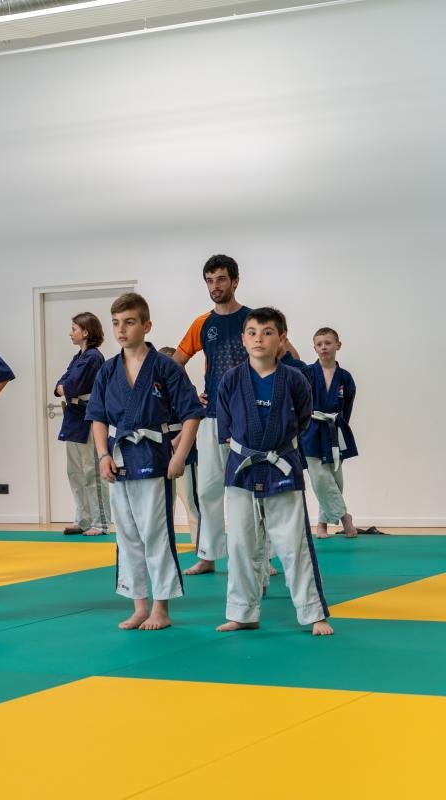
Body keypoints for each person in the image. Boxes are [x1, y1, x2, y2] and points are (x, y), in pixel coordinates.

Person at [172, 255, 301, 576]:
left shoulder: (252, 322)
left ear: (235, 281)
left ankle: (262, 557)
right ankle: (208, 554)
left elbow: (292, 357)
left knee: (253, 488)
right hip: (212, 416)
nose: (215, 286)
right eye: (209, 280)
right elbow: (174, 365)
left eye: (221, 279)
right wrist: (191, 395)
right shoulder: (202, 324)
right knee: (208, 489)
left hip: (251, 418)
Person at [87, 294, 202, 631]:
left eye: (129, 322)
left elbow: (192, 413)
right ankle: (139, 606)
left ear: (146, 325)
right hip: (119, 457)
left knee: (156, 532)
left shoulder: (166, 367)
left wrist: (180, 456)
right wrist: (102, 455)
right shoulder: (108, 370)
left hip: (154, 457)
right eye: (116, 323)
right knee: (127, 535)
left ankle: (161, 608)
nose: (121, 329)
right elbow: (97, 418)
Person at [215, 307, 332, 636]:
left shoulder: (295, 379)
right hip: (242, 469)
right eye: (252, 332)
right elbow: (225, 425)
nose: (259, 339)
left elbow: (303, 419)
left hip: (282, 466)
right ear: (243, 339)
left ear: (282, 338)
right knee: (241, 544)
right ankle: (242, 613)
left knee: (294, 544)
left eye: (267, 333)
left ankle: (312, 613)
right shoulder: (231, 379)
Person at [300, 327, 358, 539]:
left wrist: (340, 427)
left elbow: (347, 406)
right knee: (320, 477)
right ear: (314, 348)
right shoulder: (307, 373)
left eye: (328, 343)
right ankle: (344, 517)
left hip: (334, 430)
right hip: (310, 429)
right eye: (319, 344)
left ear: (338, 345)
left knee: (335, 479)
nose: (323, 347)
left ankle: (322, 524)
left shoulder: (345, 377)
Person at [55, 313, 110, 537]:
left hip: (88, 418)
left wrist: (65, 387)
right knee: (75, 472)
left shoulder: (93, 358)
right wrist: (64, 387)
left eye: (74, 329)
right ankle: (83, 519)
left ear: (86, 332)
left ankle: (101, 522)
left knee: (92, 472)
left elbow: (71, 386)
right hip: (74, 418)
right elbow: (61, 384)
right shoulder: (79, 357)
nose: (70, 333)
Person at [159, 346, 200, 545]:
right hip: (159, 447)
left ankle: (200, 544)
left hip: (184, 449)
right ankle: (165, 543)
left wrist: (181, 439)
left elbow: (193, 418)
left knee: (190, 499)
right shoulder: (154, 390)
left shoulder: (187, 389)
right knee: (164, 502)